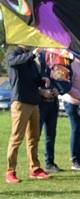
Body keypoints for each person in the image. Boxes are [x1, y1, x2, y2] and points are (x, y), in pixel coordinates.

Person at [5, 45, 49, 184]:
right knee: (17, 137)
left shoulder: (30, 58)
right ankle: (10, 171)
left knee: (33, 138)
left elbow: (34, 80)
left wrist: (43, 80)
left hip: (34, 102)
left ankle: (35, 169)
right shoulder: (13, 52)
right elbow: (13, 62)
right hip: (20, 101)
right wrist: (33, 54)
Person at [38, 50, 71, 174]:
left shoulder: (63, 56)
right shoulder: (40, 55)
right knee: (35, 135)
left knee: (50, 135)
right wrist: (41, 90)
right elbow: (34, 77)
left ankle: (49, 163)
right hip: (40, 102)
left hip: (53, 102)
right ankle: (34, 165)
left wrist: (59, 90)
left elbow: (68, 79)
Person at [63, 57, 80, 171]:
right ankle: (75, 160)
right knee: (76, 129)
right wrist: (79, 96)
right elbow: (67, 85)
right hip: (72, 102)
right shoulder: (71, 65)